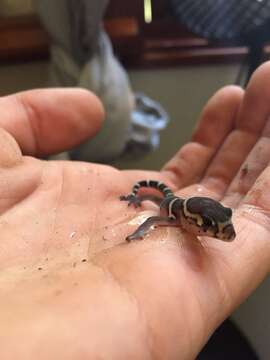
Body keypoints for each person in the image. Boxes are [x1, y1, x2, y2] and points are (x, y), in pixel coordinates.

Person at [0, 61, 270, 359]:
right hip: (164, 198)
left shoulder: (190, 217)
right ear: (191, 220)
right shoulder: (170, 216)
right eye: (209, 225)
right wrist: (138, 224)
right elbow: (152, 219)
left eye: (219, 225)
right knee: (154, 194)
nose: (218, 234)